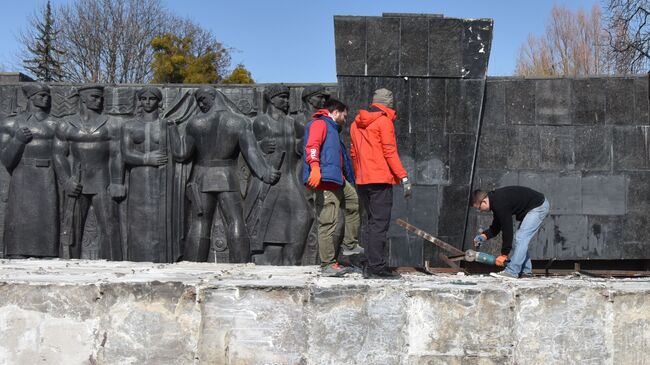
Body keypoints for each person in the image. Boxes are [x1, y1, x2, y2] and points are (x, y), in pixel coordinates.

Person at [167, 86, 280, 263]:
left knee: (202, 223)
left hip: (201, 177)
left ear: (213, 96)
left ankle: (193, 267)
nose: (201, 104)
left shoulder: (195, 123)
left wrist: (172, 129)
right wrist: (264, 172)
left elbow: (181, 153)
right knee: (234, 221)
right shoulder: (239, 122)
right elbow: (250, 152)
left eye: (202, 99)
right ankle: (240, 266)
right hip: (227, 177)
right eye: (198, 101)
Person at [53, 85, 125, 260]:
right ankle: (69, 266)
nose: (99, 101)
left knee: (110, 227)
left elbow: (117, 154)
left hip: (103, 181)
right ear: (83, 98)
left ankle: (114, 265)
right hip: (77, 181)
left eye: (101, 98)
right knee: (71, 228)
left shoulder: (112, 123)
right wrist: (66, 181)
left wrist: (117, 181)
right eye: (94, 97)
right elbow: (58, 154)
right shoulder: (65, 124)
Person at [244, 85, 311, 265]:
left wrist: (304, 143)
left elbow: (298, 147)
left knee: (303, 215)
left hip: (289, 177)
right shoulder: (260, 122)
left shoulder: (291, 122)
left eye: (288, 98)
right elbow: (247, 149)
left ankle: (292, 259)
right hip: (270, 179)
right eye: (283, 97)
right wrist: (261, 147)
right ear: (272, 99)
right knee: (269, 222)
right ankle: (266, 259)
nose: (287, 101)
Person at [350, 88, 412, 279]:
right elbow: (389, 152)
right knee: (379, 225)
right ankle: (376, 268)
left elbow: (353, 154)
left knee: (371, 224)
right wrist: (404, 177)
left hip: (362, 180)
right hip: (380, 179)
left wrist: (359, 175)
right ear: (389, 103)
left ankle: (370, 265)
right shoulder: (384, 122)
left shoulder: (355, 124)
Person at [122, 86, 181, 263]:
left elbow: (179, 152)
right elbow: (125, 154)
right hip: (138, 178)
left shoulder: (166, 124)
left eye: (152, 99)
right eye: (144, 99)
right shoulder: (129, 125)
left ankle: (163, 259)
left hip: (162, 179)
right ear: (139, 101)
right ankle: (136, 259)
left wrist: (173, 131)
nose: (148, 102)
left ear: (159, 101)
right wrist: (147, 158)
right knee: (139, 221)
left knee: (160, 221)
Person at [0, 84, 59, 258]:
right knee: (20, 218)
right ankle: (16, 252)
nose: (46, 99)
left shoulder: (56, 124)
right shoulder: (11, 123)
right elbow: (6, 160)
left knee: (48, 219)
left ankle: (49, 253)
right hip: (22, 176)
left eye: (48, 96)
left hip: (47, 176)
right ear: (31, 97)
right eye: (42, 95)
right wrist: (18, 140)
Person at [303, 98, 357, 277]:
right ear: (336, 112)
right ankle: (327, 264)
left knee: (353, 202)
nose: (345, 119)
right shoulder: (320, 124)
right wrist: (315, 167)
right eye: (345, 115)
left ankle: (350, 244)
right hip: (324, 180)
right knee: (327, 221)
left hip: (337, 179)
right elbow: (312, 146)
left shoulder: (333, 129)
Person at [471, 186, 550, 279]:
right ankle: (526, 271)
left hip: (538, 206)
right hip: (534, 206)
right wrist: (483, 236)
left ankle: (512, 272)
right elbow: (496, 227)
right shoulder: (496, 202)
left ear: (484, 201)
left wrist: (504, 254)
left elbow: (507, 229)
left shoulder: (499, 203)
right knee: (520, 238)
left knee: (521, 237)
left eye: (479, 207)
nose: (480, 210)